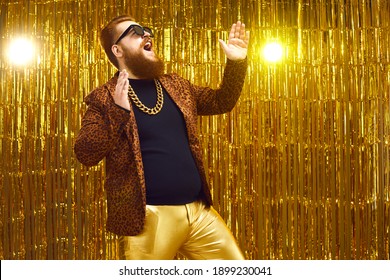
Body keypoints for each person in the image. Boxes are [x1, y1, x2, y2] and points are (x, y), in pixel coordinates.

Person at [74, 15, 249, 260]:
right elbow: (85, 153)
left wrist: (236, 62)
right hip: (150, 220)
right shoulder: (104, 98)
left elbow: (222, 101)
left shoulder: (175, 85)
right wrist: (118, 111)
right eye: (135, 31)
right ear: (117, 50)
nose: (146, 34)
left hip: (199, 214)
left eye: (146, 29)